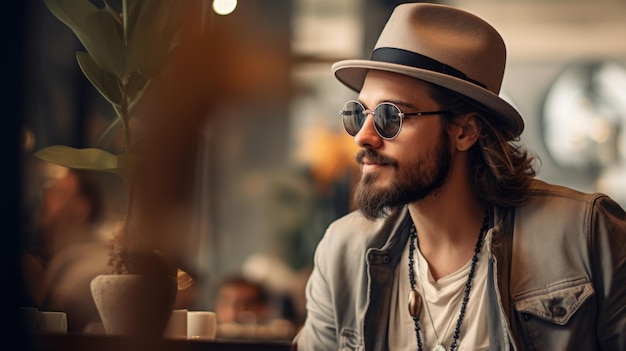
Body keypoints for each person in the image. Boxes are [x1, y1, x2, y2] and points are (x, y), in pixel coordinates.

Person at [294, 3, 626, 351]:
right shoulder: (342, 253)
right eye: (358, 113)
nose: (363, 136)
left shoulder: (585, 235)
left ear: (465, 131)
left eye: (390, 116)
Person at [22, 168, 114, 333]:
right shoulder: (60, 264)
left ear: (82, 208)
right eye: (47, 192)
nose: (46, 199)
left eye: (58, 192)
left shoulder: (96, 266)